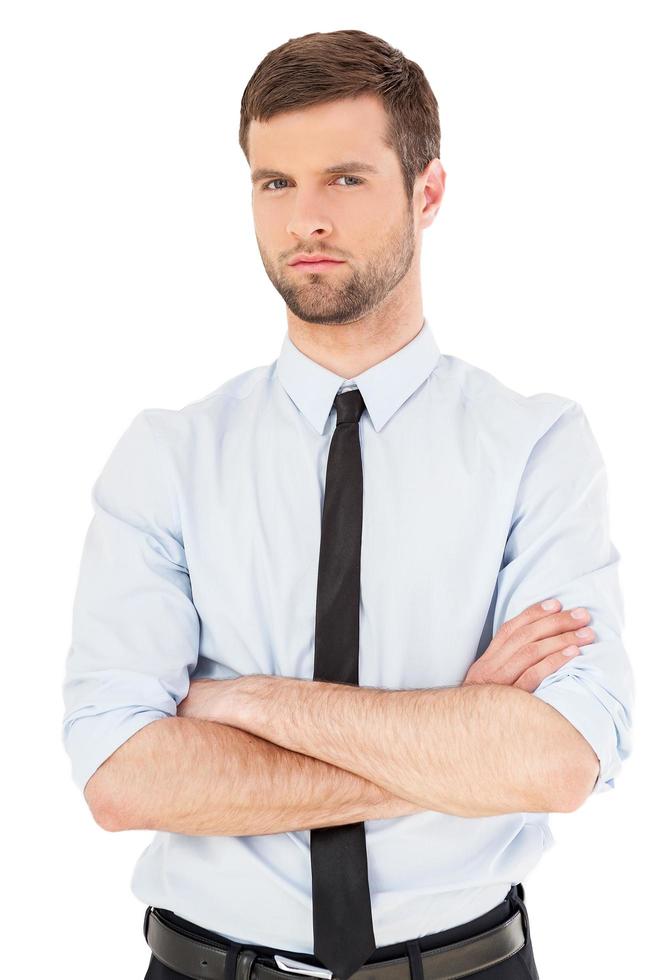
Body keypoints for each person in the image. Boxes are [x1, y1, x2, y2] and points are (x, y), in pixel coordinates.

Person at [61, 28, 634, 980]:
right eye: (275, 183)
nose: (305, 219)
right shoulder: (167, 456)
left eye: (347, 179)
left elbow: (559, 761)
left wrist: (240, 703)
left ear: (428, 192)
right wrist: (454, 731)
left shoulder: (536, 446)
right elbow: (122, 779)